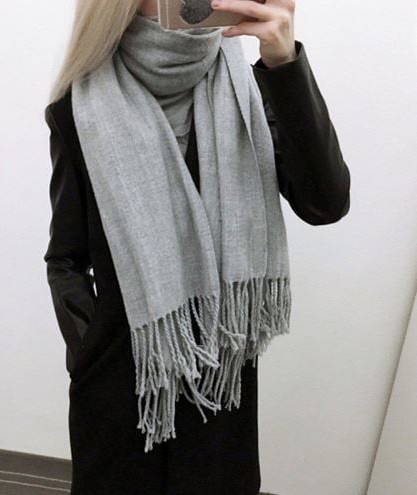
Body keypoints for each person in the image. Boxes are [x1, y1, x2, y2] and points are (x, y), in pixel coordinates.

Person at [43, 0, 351, 493]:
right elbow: (65, 257)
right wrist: (90, 352)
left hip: (221, 390)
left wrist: (283, 61)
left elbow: (326, 203)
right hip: (122, 389)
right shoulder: (81, 107)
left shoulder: (249, 90)